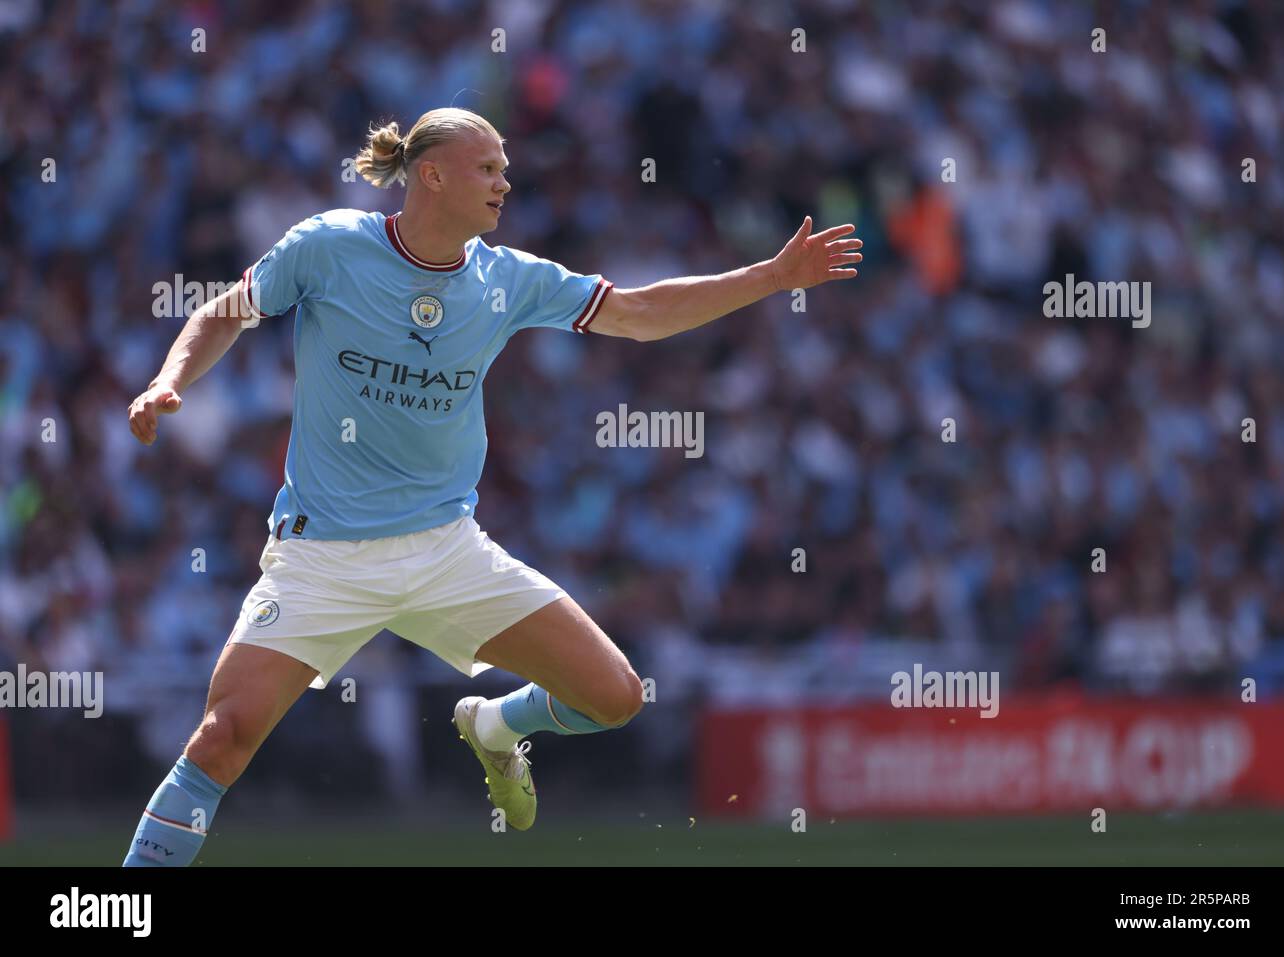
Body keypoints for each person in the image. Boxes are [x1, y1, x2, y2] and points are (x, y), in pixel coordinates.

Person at [121, 107, 860, 865]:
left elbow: (639, 314)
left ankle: (498, 725)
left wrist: (771, 276)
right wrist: (165, 381)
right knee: (221, 738)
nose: (505, 182)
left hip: (447, 549)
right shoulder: (328, 247)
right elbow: (223, 313)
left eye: (506, 168)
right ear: (432, 175)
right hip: (324, 556)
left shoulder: (509, 278)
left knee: (617, 697)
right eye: (489, 168)